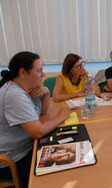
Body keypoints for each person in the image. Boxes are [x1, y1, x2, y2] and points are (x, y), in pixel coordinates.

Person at [0, 51, 71, 187]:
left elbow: (42, 112)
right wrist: (60, 117)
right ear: (23, 73)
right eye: (39, 71)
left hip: (27, 146)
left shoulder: (26, 87)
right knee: (57, 177)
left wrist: (46, 93)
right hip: (12, 158)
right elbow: (37, 132)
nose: (43, 75)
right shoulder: (14, 95)